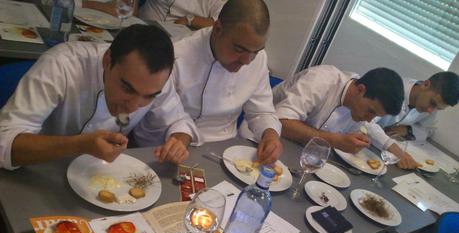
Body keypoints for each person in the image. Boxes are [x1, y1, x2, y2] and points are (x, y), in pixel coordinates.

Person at [0, 24, 198, 170]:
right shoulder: (62, 65)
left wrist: (178, 142)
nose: (134, 107)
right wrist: (78, 144)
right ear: (107, 60)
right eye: (127, 88)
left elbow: (180, 122)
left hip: (98, 176)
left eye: (149, 96)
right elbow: (5, 143)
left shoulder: (155, 81)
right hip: (38, 169)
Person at [134, 0, 283, 165]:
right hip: (164, 148)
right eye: (239, 49)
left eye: (255, 52)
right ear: (217, 29)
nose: (247, 61)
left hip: (223, 153)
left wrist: (270, 134)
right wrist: (179, 137)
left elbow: (261, 111)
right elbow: (159, 113)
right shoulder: (175, 54)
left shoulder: (258, 59)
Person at [273, 65, 418, 169]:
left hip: (296, 155)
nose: (368, 119)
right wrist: (332, 140)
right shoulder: (322, 80)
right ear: (361, 90)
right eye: (371, 111)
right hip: (262, 137)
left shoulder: (359, 106)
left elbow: (370, 127)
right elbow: (281, 122)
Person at [376, 71, 459, 141]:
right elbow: (366, 123)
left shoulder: (432, 104)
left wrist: (407, 130)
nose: (430, 111)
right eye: (432, 103)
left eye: (438, 108)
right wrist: (391, 146)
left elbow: (428, 130)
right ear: (425, 85)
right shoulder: (392, 88)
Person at [139, 0, 226, 30]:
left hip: (172, 41)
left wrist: (190, 19)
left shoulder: (220, 2)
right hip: (140, 24)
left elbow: (221, 26)